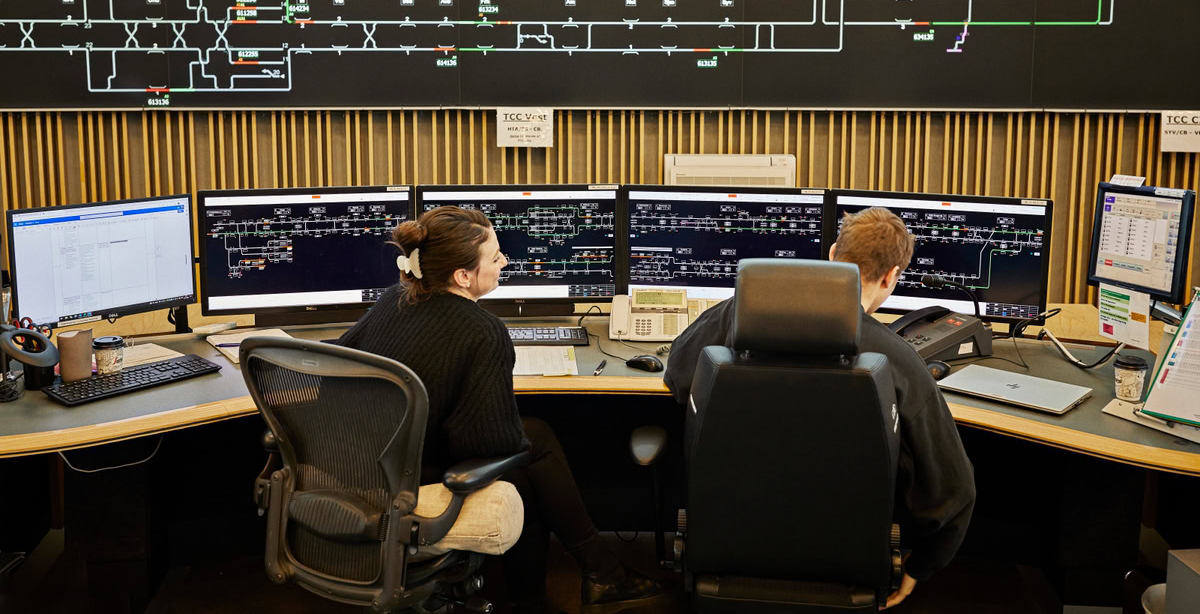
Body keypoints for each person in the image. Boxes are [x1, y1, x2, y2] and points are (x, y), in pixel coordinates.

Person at [338, 205, 669, 614]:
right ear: (463, 276)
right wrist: (512, 435)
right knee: (532, 447)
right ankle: (589, 578)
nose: (505, 262)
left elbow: (338, 361)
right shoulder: (482, 330)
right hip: (403, 472)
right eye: (495, 257)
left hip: (360, 455)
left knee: (527, 466)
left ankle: (577, 583)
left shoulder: (395, 298)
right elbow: (483, 441)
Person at [665, 206, 976, 609]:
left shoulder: (735, 316)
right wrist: (922, 567)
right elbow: (953, 491)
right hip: (849, 572)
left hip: (725, 557)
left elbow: (677, 377)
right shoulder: (897, 361)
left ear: (832, 254)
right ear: (890, 277)